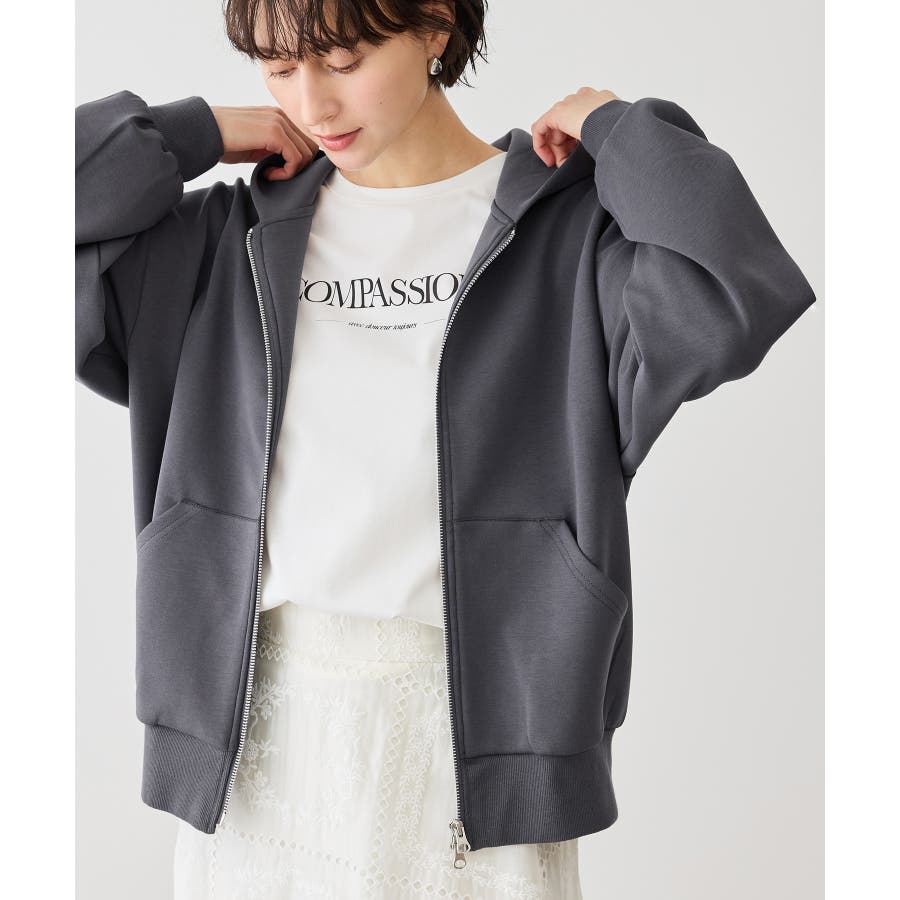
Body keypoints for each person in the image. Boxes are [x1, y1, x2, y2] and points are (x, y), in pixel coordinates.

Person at [75, 0, 816, 896]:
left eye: (342, 60)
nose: (310, 103)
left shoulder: (570, 239)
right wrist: (188, 133)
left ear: (433, 27)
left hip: (483, 744)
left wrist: (616, 130)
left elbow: (737, 286)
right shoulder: (216, 245)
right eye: (278, 67)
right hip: (256, 743)